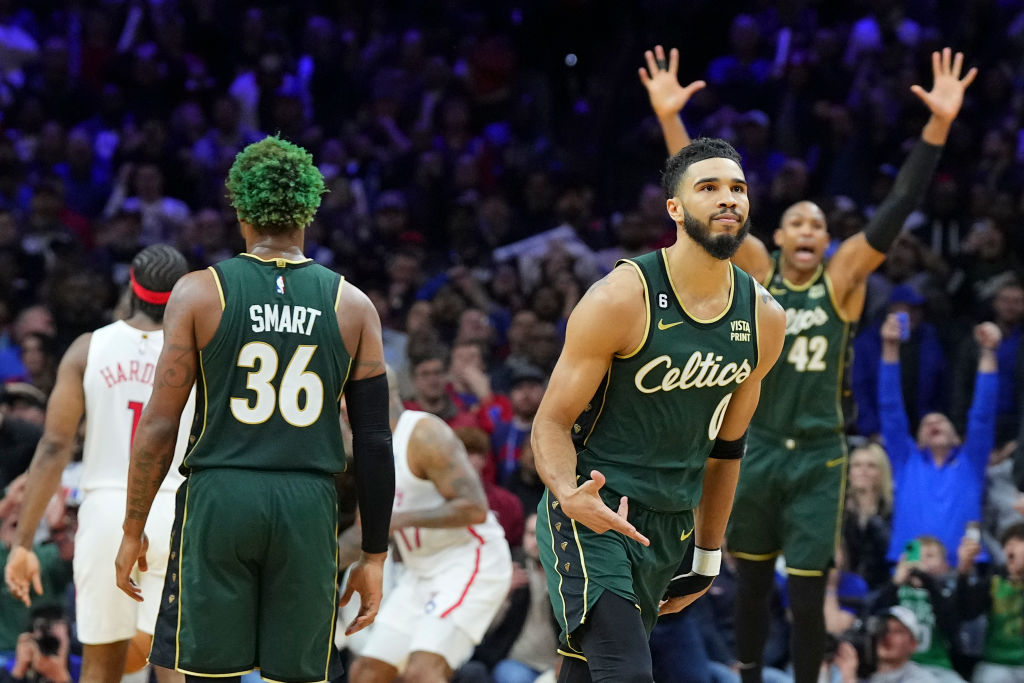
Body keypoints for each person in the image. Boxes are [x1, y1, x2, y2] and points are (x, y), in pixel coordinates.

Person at [639, 45, 976, 683]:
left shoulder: (843, 281)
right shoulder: (759, 272)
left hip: (820, 450)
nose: (806, 229)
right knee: (752, 584)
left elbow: (898, 206)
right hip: (758, 445)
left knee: (807, 585)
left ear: (826, 241)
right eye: (795, 220)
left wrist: (936, 127)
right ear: (779, 233)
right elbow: (708, 206)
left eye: (817, 225)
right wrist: (670, 119)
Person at [111, 136, 396, 683]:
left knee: (206, 675)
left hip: (221, 495)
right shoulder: (354, 304)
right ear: (308, 209)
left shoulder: (198, 292)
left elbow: (160, 423)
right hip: (308, 504)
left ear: (240, 210)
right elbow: (375, 440)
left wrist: (133, 527)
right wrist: (375, 554)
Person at [531, 135, 786, 682]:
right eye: (709, 187)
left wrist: (708, 555)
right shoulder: (621, 297)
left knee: (584, 675)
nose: (729, 199)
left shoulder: (764, 318)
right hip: (593, 507)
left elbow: (728, 451)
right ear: (674, 207)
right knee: (626, 673)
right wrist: (566, 491)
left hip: (669, 524)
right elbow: (550, 421)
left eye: (738, 188)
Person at [4, 244, 191, 683]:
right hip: (179, 508)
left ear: (130, 287)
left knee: (100, 668)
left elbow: (53, 448)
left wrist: (24, 543)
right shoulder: (201, 353)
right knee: (174, 665)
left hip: (108, 509)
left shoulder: (89, 348)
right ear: (183, 293)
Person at [349, 369, 512, 683]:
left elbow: (475, 508)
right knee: (366, 673)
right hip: (419, 573)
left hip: (470, 560)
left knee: (422, 673)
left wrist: (399, 520)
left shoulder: (422, 433)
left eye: (347, 397)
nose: (341, 407)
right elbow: (361, 532)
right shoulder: (368, 448)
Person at [880, 317, 999, 569]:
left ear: (958, 437)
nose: (934, 424)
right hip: (911, 561)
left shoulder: (970, 461)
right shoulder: (905, 460)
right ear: (917, 440)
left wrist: (988, 352)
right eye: (927, 424)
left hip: (964, 563)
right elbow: (890, 408)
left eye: (942, 422)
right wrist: (890, 347)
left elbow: (983, 414)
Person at [834, 607, 940, 683]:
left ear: (913, 644)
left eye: (898, 631)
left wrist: (849, 680)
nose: (887, 636)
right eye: (884, 629)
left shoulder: (921, 678)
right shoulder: (859, 671)